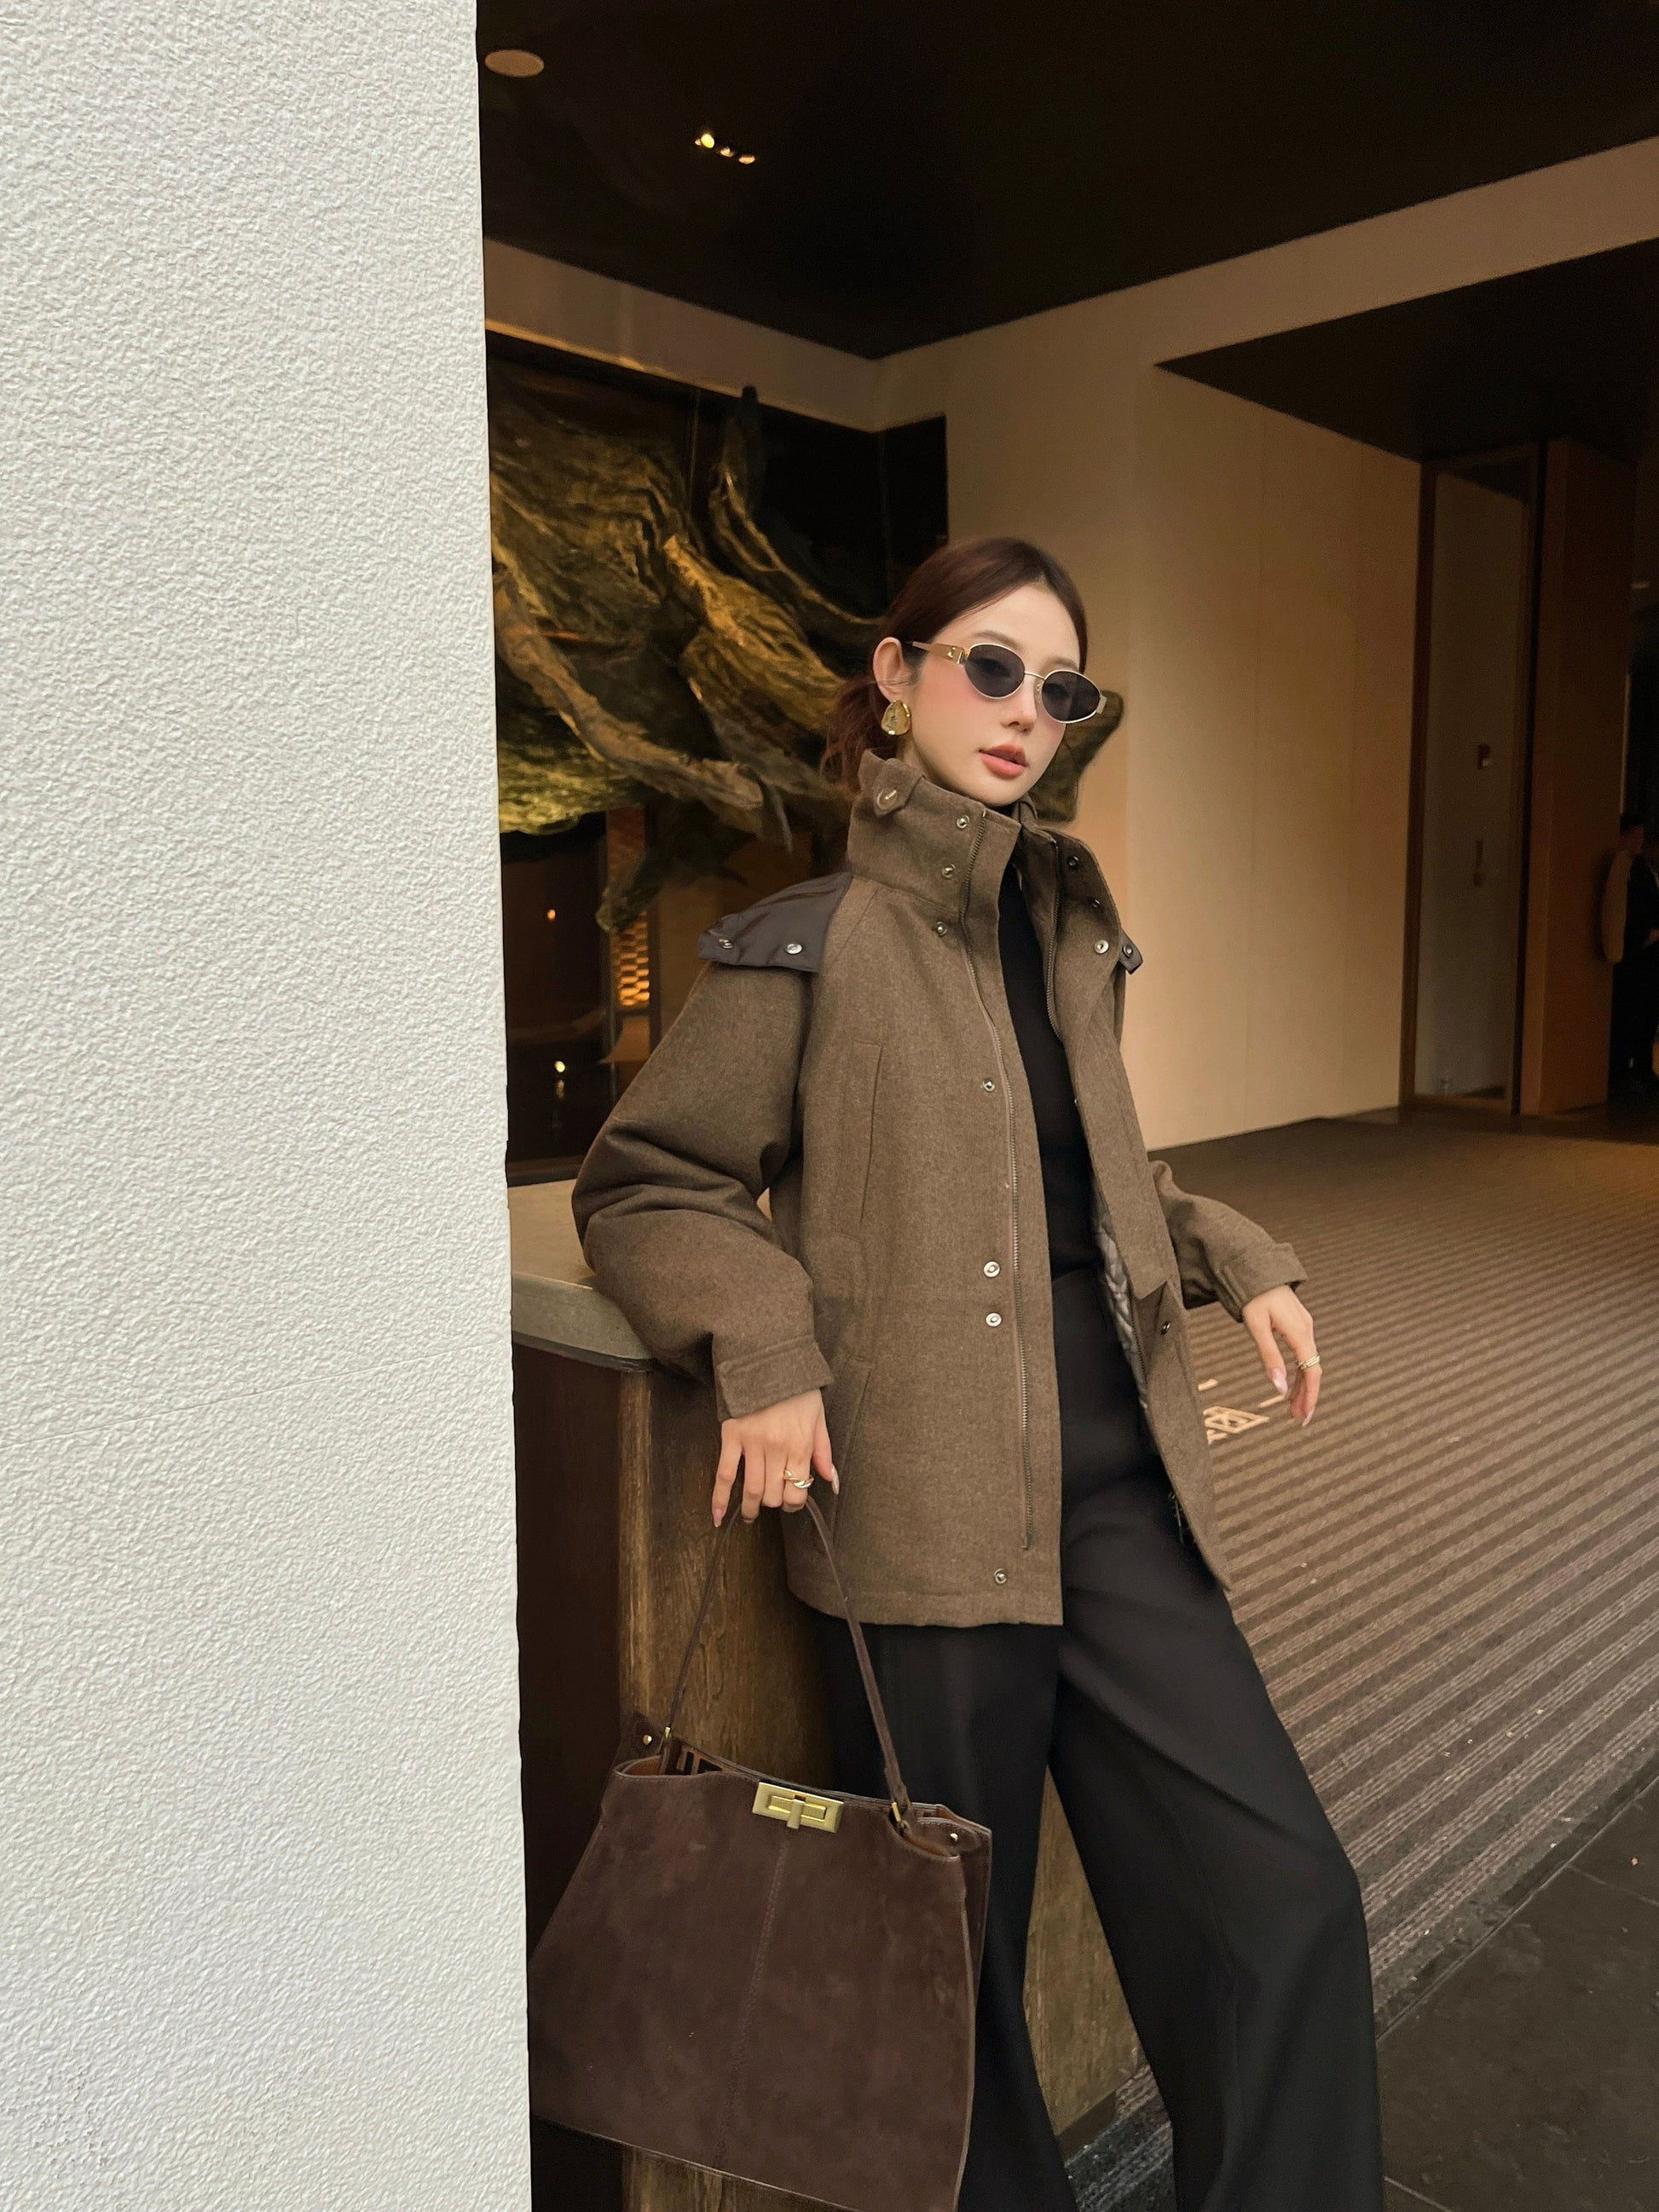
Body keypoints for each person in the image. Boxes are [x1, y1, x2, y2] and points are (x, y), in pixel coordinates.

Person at [570, 536, 1385, 2211]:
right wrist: (762, 1341)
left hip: (1119, 1499)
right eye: (990, 667)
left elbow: (1086, 1183)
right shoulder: (800, 946)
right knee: (956, 1991)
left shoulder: (1068, 932)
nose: (1025, 711)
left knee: (1284, 1900)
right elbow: (646, 1183)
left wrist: (1233, 1252)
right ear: (898, 675)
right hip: (926, 1526)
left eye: (1058, 688)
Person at [1602, 813, 1659, 1094]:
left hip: (1646, 950)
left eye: (1641, 837)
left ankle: (1642, 1068)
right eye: (1634, 836)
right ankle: (1621, 1072)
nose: (1639, 841)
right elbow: (1621, 909)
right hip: (1633, 950)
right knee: (1628, 1012)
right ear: (1622, 836)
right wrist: (1644, 933)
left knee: (1646, 1012)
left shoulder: (1640, 866)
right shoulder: (1623, 866)